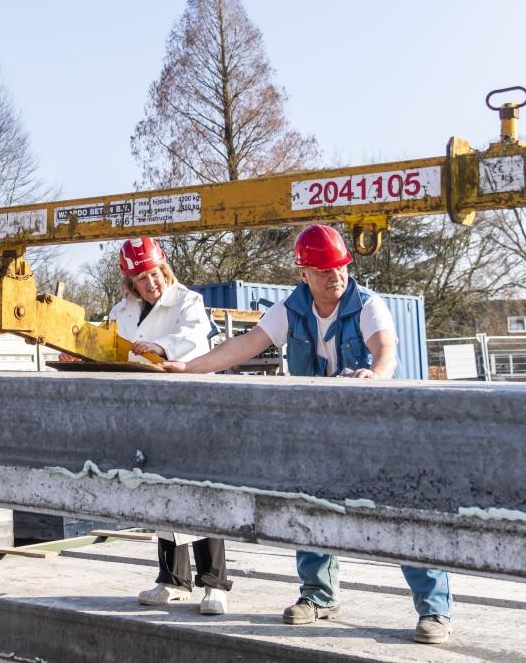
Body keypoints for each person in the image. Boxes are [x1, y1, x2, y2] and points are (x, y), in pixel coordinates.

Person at [162, 224, 453, 644]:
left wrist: (376, 375)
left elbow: (386, 350)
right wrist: (187, 368)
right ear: (304, 274)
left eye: (340, 267)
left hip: (382, 428)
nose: (335, 276)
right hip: (321, 430)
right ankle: (318, 596)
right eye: (323, 270)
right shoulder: (291, 309)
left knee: (402, 515)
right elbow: (245, 343)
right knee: (308, 506)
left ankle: (434, 611)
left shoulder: (368, 303)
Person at [105, 238, 232, 615]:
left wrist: (160, 348)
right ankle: (173, 580)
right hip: (144, 408)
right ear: (130, 282)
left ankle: (214, 584)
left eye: (155, 274)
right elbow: (110, 348)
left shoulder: (188, 301)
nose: (151, 283)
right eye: (142, 278)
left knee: (200, 490)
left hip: (188, 406)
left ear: (165, 270)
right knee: (157, 489)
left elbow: (194, 336)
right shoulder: (121, 309)